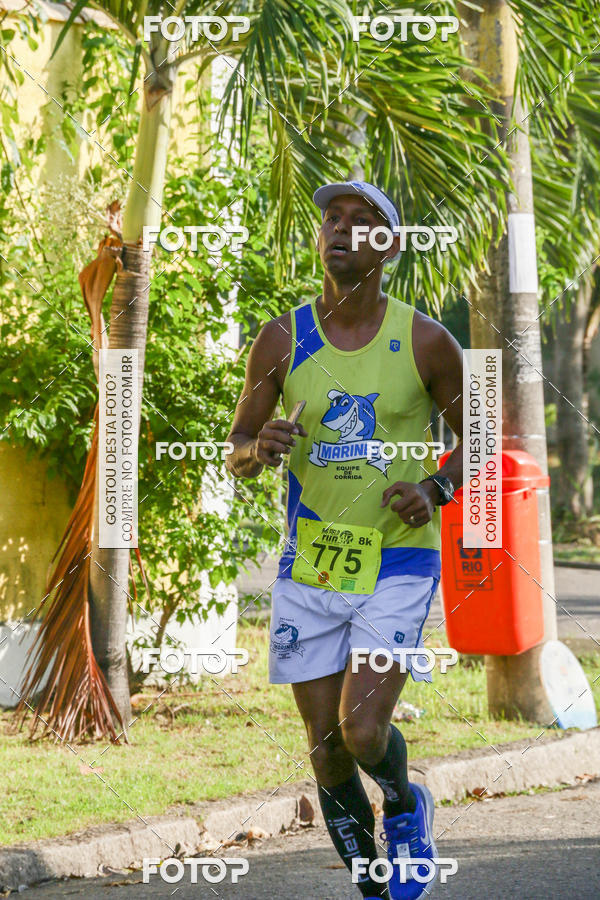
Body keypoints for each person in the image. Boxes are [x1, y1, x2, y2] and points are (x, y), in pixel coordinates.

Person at [226, 181, 463, 899]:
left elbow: (482, 436)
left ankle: (405, 804)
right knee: (326, 749)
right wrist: (258, 446)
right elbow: (237, 448)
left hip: (397, 559)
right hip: (312, 564)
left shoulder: (425, 340)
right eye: (332, 219)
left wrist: (434, 489)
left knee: (361, 731)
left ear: (387, 247)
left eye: (362, 223)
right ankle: (372, 887)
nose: (341, 230)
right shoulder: (281, 337)